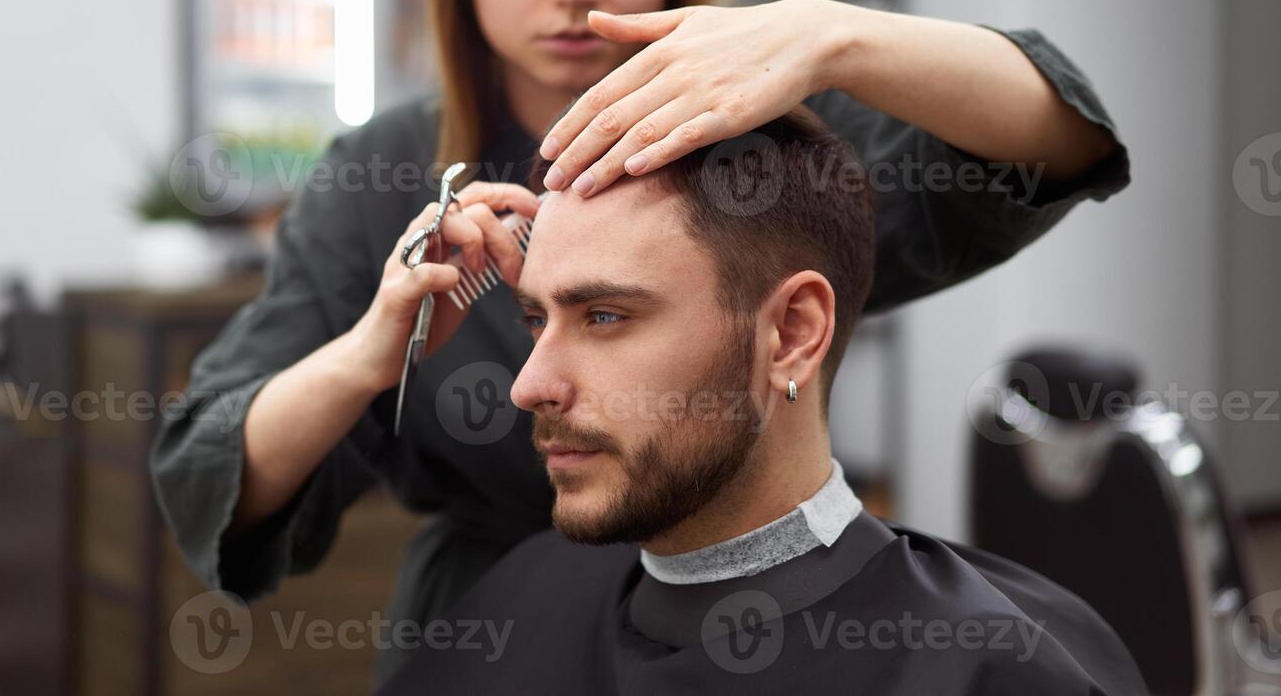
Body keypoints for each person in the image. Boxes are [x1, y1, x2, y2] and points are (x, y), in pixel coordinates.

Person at [149, 0, 1131, 686]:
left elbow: (1062, 137)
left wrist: (832, 36)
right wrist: (370, 349)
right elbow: (210, 474)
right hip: (493, 639)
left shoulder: (772, 138)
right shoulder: (383, 176)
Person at [374, 108, 1147, 695]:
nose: (528, 385)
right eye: (538, 320)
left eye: (605, 316)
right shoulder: (515, 603)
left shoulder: (993, 668)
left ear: (790, 333)